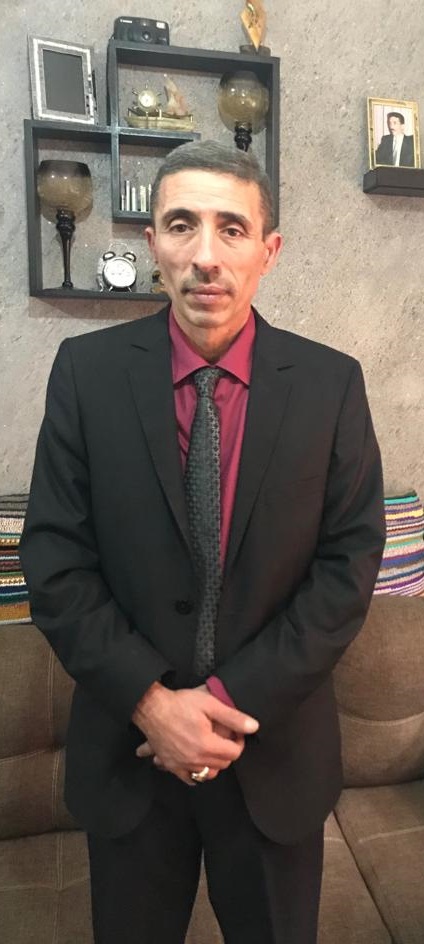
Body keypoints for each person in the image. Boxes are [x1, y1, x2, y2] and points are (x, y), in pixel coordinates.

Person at [20, 140, 385, 944]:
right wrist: (153, 705)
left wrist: (222, 703)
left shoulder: (332, 385)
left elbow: (348, 566)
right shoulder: (85, 373)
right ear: (153, 243)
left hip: (274, 759)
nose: (206, 255)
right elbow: (55, 561)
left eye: (232, 228)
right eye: (183, 225)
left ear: (269, 250)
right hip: (130, 759)